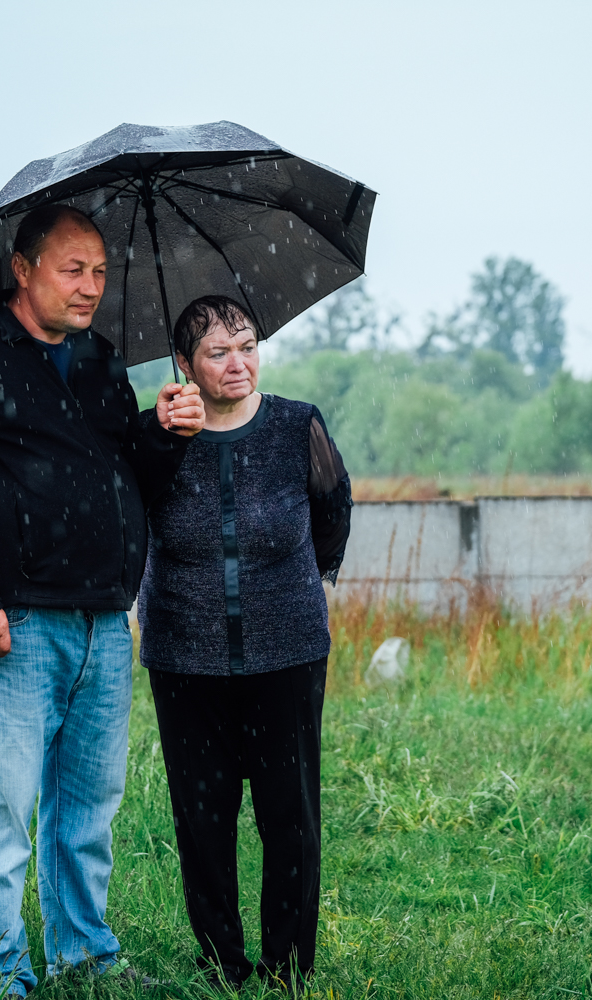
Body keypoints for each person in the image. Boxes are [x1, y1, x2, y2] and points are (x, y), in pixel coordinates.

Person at [0, 203, 203, 994]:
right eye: (73, 270)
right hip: (17, 619)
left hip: (106, 618)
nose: (92, 286)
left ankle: (84, 956)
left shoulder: (100, 362)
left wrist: (166, 433)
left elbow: (125, 473)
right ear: (22, 268)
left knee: (88, 809)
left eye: (100, 271)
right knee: (1, 808)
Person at [136, 295, 353, 989]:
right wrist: (166, 436)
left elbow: (332, 513)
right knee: (203, 818)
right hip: (184, 656)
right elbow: (128, 515)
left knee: (290, 816)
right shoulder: (153, 434)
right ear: (183, 364)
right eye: (218, 352)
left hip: (287, 654)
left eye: (248, 346)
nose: (239, 363)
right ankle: (222, 965)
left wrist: (290, 588)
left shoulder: (297, 425)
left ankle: (288, 968)